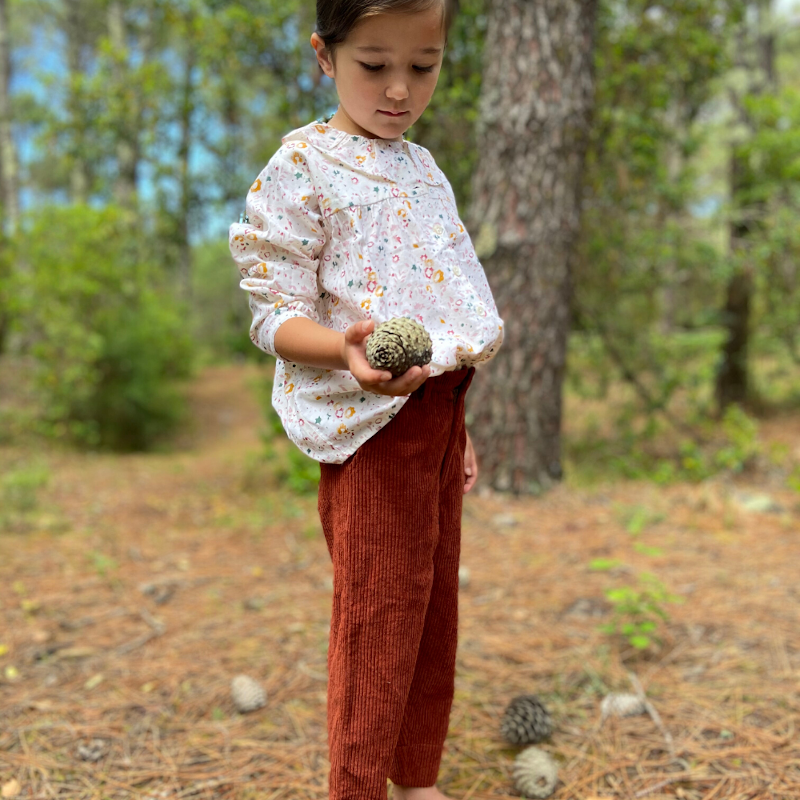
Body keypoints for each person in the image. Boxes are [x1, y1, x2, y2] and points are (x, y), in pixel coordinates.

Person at [229, 0, 503, 797]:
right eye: (373, 65)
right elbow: (274, 311)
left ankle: (416, 777)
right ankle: (356, 786)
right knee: (377, 617)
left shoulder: (424, 169)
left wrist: (460, 421)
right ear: (324, 56)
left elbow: (448, 303)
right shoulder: (304, 167)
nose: (398, 90)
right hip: (368, 426)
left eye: (423, 66)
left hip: (437, 415)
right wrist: (344, 349)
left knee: (430, 612)